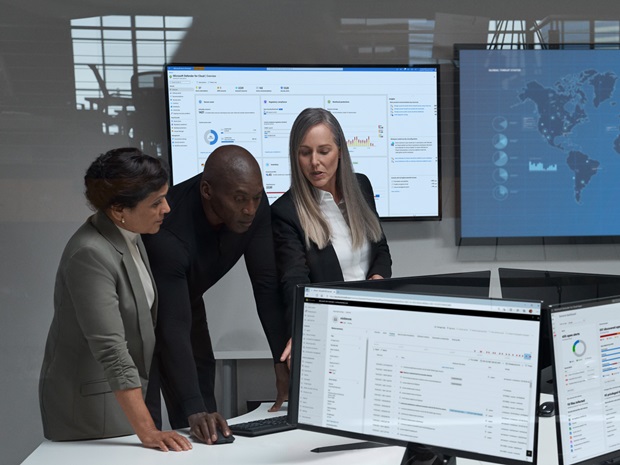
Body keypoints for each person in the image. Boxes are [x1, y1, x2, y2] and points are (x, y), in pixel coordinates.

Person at [39, 147, 191, 452]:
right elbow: (111, 349)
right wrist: (149, 429)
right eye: (156, 202)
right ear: (119, 210)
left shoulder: (128, 235)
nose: (167, 209)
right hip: (92, 413)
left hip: (119, 404)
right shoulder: (90, 253)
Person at [142, 144, 290, 443]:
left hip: (188, 301)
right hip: (141, 316)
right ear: (207, 191)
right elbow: (171, 326)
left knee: (209, 421)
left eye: (256, 198)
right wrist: (193, 408)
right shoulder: (169, 229)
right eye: (239, 199)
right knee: (151, 423)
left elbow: (265, 283)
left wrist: (280, 362)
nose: (249, 208)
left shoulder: (255, 207)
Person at [271, 107, 392, 357]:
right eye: (305, 153)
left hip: (375, 320)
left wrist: (378, 280)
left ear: (339, 152)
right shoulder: (286, 212)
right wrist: (301, 331)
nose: (314, 162)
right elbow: (295, 281)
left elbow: (380, 247)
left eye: (324, 151)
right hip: (332, 331)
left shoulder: (361, 187)